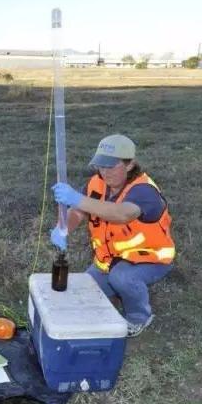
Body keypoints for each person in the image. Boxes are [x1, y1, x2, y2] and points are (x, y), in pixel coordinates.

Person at [50, 134, 176, 337]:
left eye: (111, 166)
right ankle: (120, 292)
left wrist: (76, 198)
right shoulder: (96, 184)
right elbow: (79, 212)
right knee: (85, 291)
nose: (104, 172)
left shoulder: (144, 191)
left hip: (149, 259)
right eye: (101, 166)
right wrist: (63, 228)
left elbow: (122, 213)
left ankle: (138, 317)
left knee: (122, 278)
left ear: (129, 164)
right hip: (109, 261)